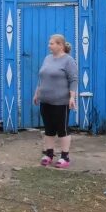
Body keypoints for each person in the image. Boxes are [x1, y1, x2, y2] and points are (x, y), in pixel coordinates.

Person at [33, 34, 78, 168]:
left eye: (52, 43)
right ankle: (49, 154)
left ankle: (65, 157)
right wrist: (37, 93)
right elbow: (41, 78)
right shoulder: (47, 58)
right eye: (49, 43)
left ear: (60, 45)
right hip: (45, 100)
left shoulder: (68, 60)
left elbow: (74, 80)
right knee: (48, 129)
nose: (49, 45)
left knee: (62, 129)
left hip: (61, 102)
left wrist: (72, 97)